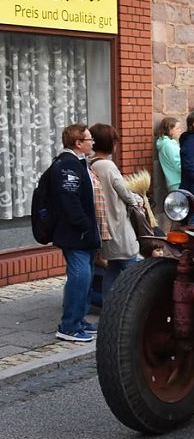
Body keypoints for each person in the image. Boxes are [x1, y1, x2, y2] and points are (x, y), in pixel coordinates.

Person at [52, 124, 101, 343]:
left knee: (86, 276)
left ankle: (79, 320)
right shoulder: (67, 166)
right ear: (78, 143)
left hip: (84, 234)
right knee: (79, 278)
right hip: (76, 234)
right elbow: (70, 201)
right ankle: (69, 326)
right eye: (89, 139)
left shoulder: (78, 163)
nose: (93, 143)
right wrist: (84, 225)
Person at [89, 123, 144, 299]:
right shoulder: (108, 166)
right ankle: (136, 306)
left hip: (103, 227)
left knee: (113, 268)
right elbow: (125, 193)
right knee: (133, 267)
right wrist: (139, 200)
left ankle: (108, 306)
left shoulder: (91, 165)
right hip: (117, 225)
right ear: (110, 143)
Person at [156, 116, 182, 191]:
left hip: (174, 182)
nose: (179, 130)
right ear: (169, 130)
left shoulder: (166, 144)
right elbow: (179, 164)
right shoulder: (169, 145)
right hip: (178, 182)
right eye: (177, 128)